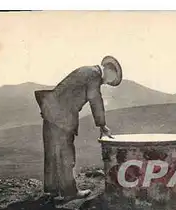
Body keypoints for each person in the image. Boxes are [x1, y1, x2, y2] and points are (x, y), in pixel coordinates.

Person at [34, 55, 122, 202]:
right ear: (109, 70)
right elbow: (95, 99)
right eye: (111, 79)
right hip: (62, 116)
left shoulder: (87, 71)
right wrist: (102, 124)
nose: (108, 82)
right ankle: (70, 192)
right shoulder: (94, 74)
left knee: (52, 153)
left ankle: (52, 191)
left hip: (50, 110)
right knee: (67, 154)